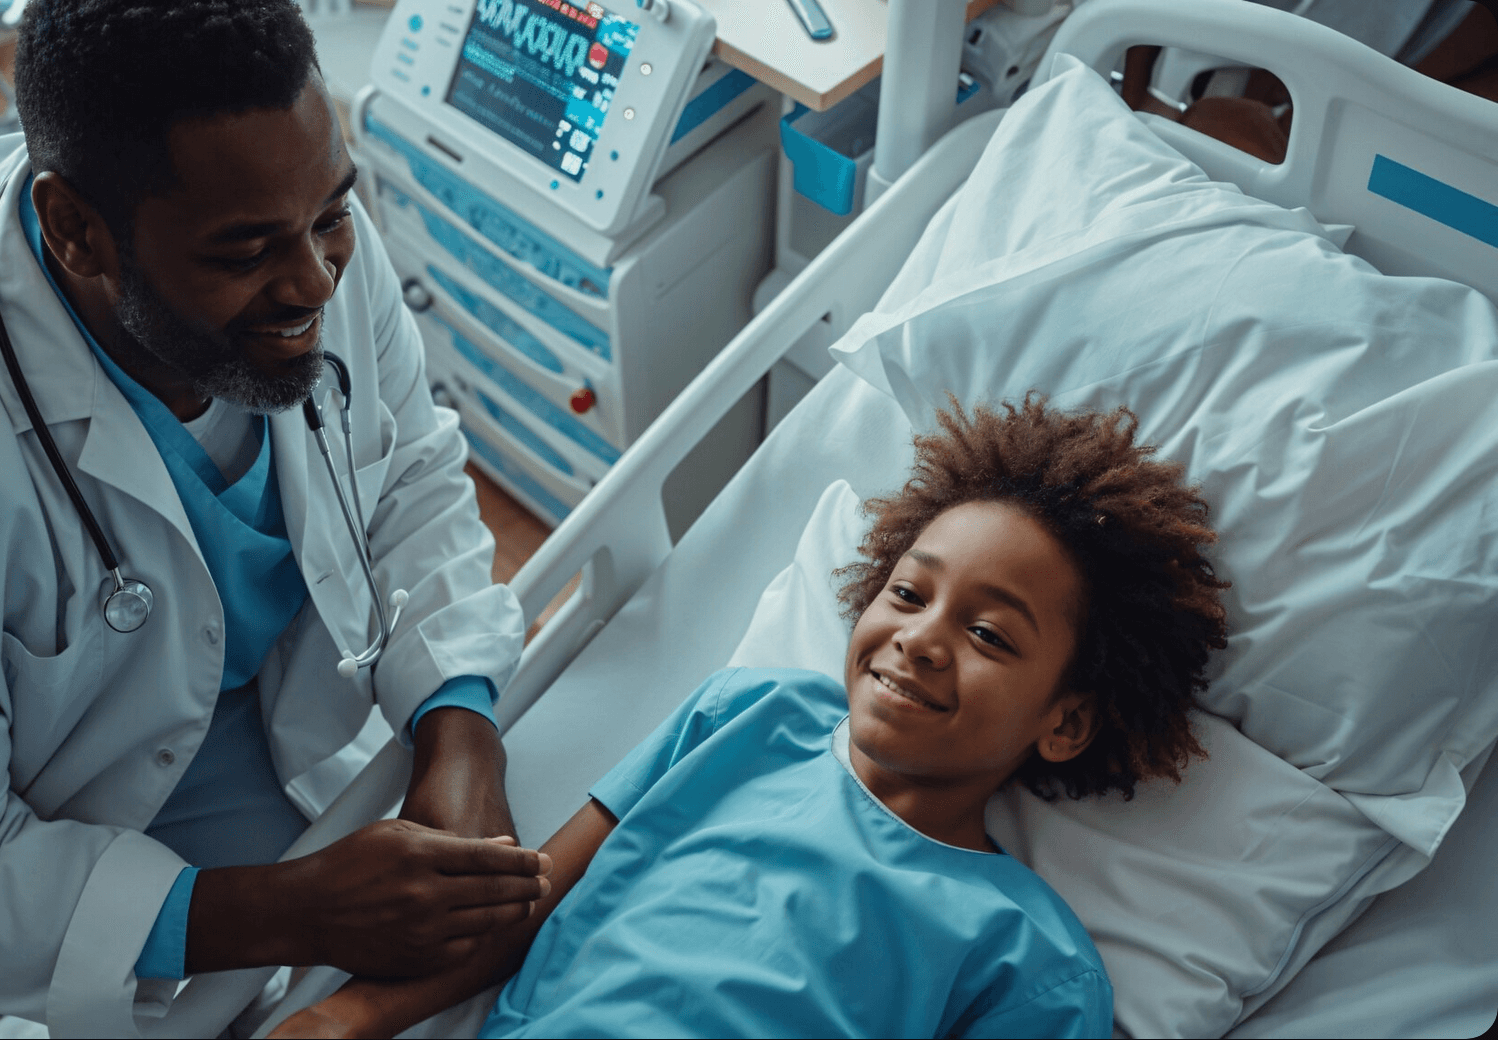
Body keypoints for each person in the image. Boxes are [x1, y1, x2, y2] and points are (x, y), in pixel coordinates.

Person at [271, 396, 1231, 1039]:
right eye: (907, 592)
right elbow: (532, 902)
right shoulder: (750, 716)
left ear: (1063, 723)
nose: (923, 640)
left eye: (987, 633)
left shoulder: (1028, 953)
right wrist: (343, 1019)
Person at [0, 2, 547, 1034]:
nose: (314, 279)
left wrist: (460, 729)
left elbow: (413, 473)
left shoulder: (297, 217)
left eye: (332, 215)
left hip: (311, 740)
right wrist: (294, 909)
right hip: (85, 860)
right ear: (76, 230)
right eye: (244, 252)